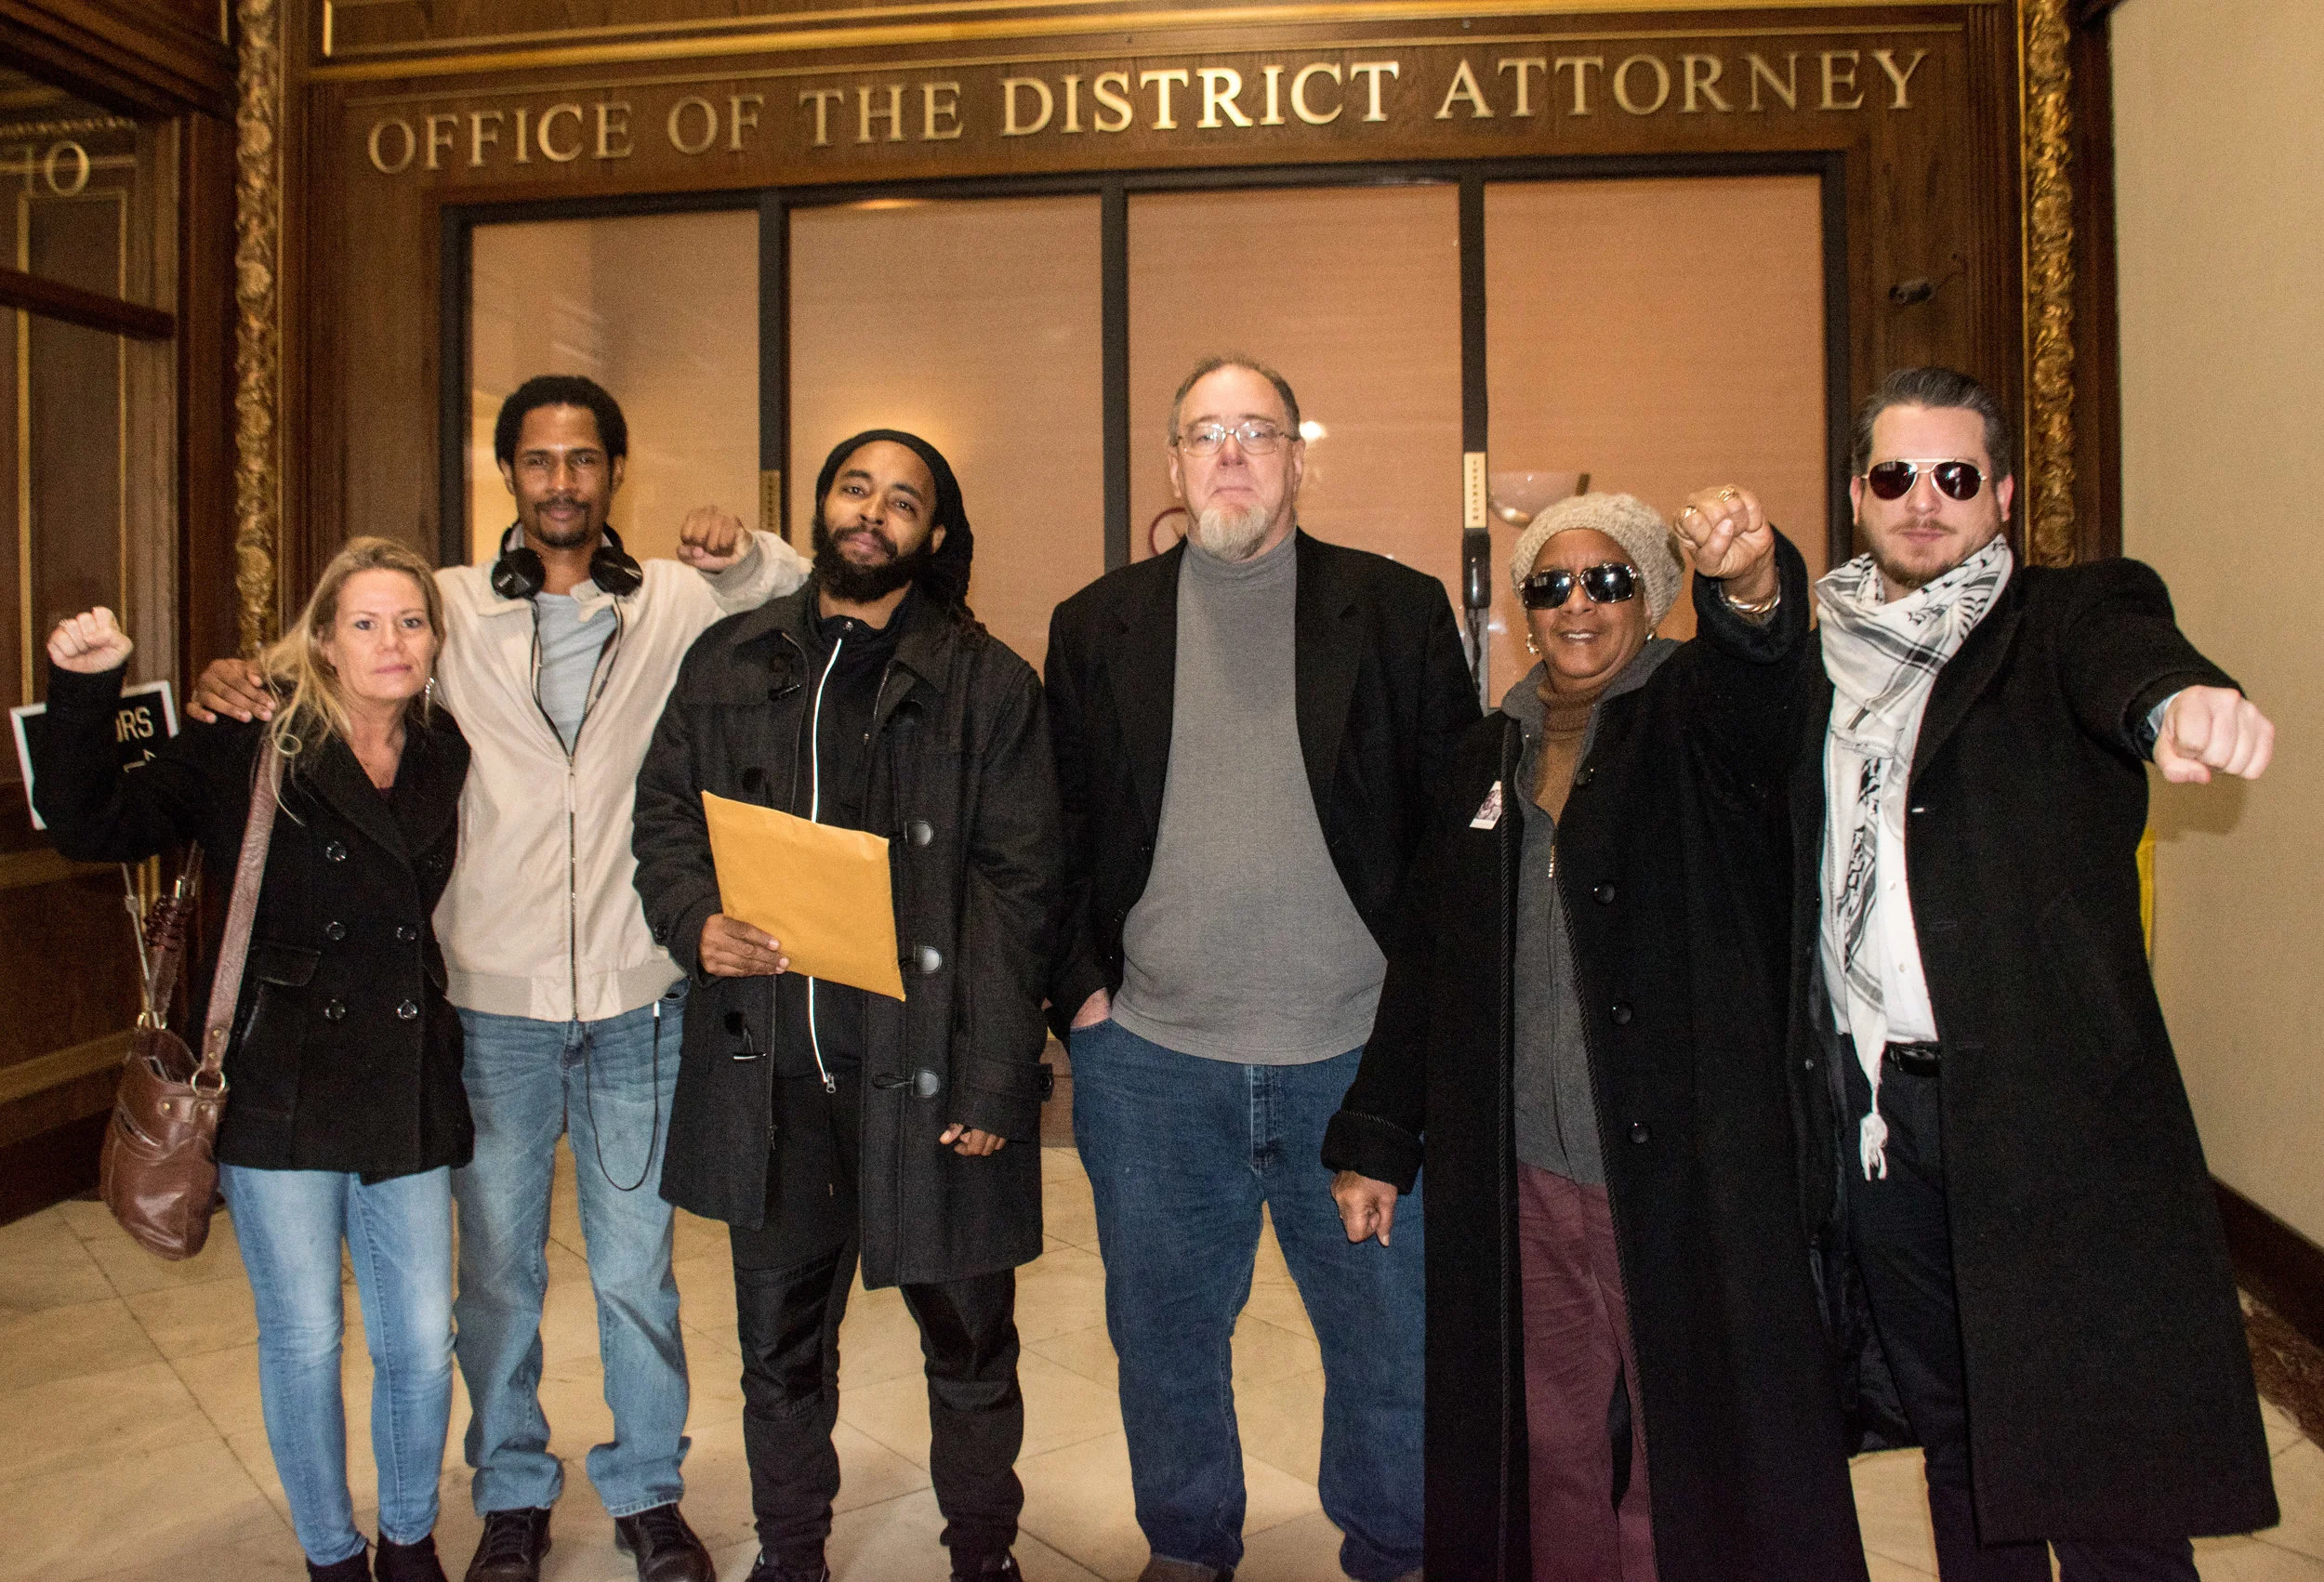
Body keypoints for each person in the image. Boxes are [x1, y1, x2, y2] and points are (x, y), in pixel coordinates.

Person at [191, 374, 809, 1582]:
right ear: (510, 476)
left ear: (612, 473)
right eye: (538, 460)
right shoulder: (450, 609)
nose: (562, 480)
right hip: (486, 1004)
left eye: (584, 459)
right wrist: (233, 674)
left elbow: (801, 597)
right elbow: (330, 645)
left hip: (640, 995)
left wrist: (743, 553)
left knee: (636, 1269)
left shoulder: (679, 600)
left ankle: (645, 1487)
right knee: (493, 1278)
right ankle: (513, 1487)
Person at [1323, 492, 1870, 1582]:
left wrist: (1754, 587)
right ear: (1525, 607)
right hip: (1520, 1170)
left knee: (1685, 1439)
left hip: (1677, 1175)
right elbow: (1427, 959)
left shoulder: (1696, 717)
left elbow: (1767, 681)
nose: (1578, 604)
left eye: (1609, 579)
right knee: (1548, 1433)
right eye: (1551, 584)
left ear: (1655, 597)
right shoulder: (1484, 752)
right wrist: (1376, 1136)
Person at [1792, 366, 2278, 1577]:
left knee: (2099, 1451)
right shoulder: (1823, 668)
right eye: (1895, 475)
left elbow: (2130, 652)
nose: (1923, 500)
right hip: (1882, 1114)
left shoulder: (2064, 618)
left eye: (1955, 477)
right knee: (1955, 1433)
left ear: (2001, 495)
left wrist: (2173, 703)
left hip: (2052, 1113)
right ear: (1858, 495)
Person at [1044, 354, 1477, 1582]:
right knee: (1166, 1346)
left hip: (1356, 1065)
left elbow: (1451, 852)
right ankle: (1187, 1547)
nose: (1232, 452)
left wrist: (1412, 1061)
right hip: (1153, 1069)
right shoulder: (1098, 624)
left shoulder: (1394, 612)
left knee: (1391, 1351)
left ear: (1297, 456)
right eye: (1207, 432)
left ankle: (1397, 1548)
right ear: (1174, 463)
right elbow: (1054, 832)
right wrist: (1082, 995)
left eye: (1259, 430)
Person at [631, 429, 1061, 1582]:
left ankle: (983, 1555)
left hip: (932, 1080)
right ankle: (792, 1555)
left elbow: (1020, 895)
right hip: (775, 1075)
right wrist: (694, 921)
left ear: (933, 533)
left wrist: (993, 1078)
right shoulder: (729, 658)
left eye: (903, 500)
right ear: (821, 508)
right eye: (856, 488)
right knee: (777, 1352)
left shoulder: (989, 683)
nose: (874, 513)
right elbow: (665, 818)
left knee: (971, 1346)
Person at [38, 541, 471, 1582]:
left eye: (410, 622)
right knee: (307, 1340)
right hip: (279, 1079)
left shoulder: (441, 744)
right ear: (321, 638)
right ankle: (332, 1553)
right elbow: (92, 823)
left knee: (418, 1340)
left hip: (406, 1075)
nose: (390, 642)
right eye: (364, 622)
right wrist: (84, 688)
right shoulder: (246, 738)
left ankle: (408, 1540)